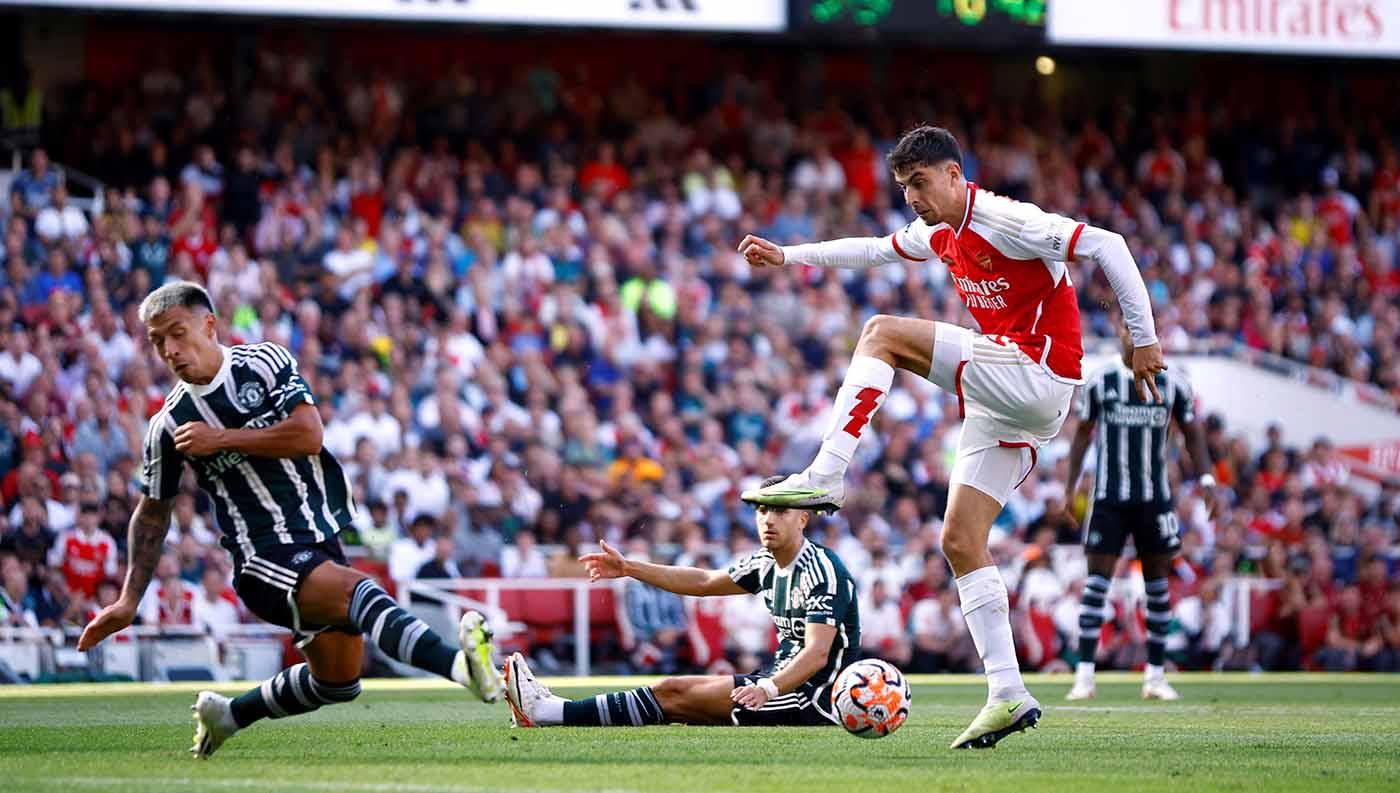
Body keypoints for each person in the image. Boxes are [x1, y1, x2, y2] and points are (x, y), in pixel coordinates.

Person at [737, 125, 1164, 748]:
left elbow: (1109, 244)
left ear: (954, 175)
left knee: (881, 332)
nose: (911, 197)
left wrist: (1144, 337)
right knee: (960, 540)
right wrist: (788, 256)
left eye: (919, 182)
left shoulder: (1006, 219)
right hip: (1010, 398)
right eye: (903, 187)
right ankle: (1007, 693)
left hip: (1037, 373)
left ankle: (826, 473)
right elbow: (873, 249)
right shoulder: (937, 230)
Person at [75, 281, 503, 758]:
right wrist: (129, 600)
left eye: (177, 333)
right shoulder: (168, 426)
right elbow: (152, 513)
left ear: (209, 325)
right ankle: (462, 669)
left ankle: (229, 714)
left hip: (318, 538)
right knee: (360, 592)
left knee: (338, 682)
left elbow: (307, 434)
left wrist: (222, 439)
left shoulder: (264, 362)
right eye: (158, 342)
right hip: (261, 558)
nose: (169, 350)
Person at [501, 475, 860, 728]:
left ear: (803, 518)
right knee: (671, 689)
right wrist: (629, 568)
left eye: (779, 511)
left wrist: (766, 688)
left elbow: (817, 654)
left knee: (674, 697)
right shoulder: (766, 563)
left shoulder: (823, 571)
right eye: (762, 509)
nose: (768, 519)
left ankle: (548, 712)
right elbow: (703, 582)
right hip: (779, 682)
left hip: (814, 699)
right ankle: (551, 710)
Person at [1062, 325, 1211, 701]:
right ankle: (1084, 676)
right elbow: (1082, 434)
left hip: (1154, 498)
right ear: (1118, 332)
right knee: (1096, 584)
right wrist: (1070, 485)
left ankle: (1155, 676)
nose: (1133, 334)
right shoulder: (1101, 381)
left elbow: (1193, 432)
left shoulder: (1173, 382)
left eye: (1139, 327)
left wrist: (1207, 478)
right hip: (1108, 498)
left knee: (1157, 585)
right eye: (1127, 327)